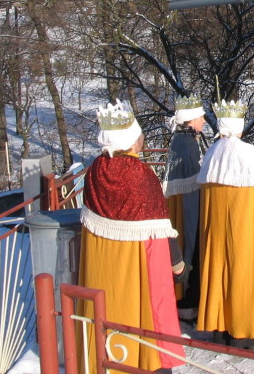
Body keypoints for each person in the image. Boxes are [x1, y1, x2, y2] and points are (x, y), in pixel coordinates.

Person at [78, 99, 187, 372]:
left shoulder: (95, 171)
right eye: (139, 134)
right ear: (131, 140)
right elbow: (159, 226)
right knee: (143, 316)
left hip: (103, 267)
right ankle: (145, 361)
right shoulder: (140, 175)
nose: (142, 139)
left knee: (109, 310)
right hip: (138, 265)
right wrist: (177, 265)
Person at [196, 99, 254, 351]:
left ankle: (224, 332)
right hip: (250, 234)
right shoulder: (251, 155)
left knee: (224, 272)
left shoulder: (212, 154)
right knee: (250, 273)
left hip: (220, 237)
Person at [164, 94, 207, 321]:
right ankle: (189, 300)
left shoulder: (184, 139)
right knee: (191, 245)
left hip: (184, 202)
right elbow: (193, 179)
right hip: (190, 204)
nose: (204, 121)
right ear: (191, 120)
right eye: (200, 117)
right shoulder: (186, 143)